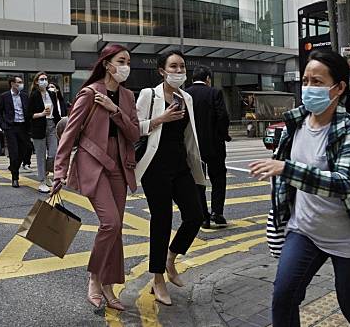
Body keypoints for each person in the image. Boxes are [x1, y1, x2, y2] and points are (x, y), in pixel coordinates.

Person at [250, 49, 350, 327]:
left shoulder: (349, 128)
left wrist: (287, 169)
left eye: (317, 82)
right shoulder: (294, 123)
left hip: (349, 236)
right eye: (305, 81)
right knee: (283, 297)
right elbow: (285, 177)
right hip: (304, 230)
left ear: (338, 87)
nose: (308, 88)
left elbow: (345, 182)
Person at [52, 44, 139, 311]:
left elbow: (134, 134)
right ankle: (94, 278)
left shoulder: (126, 96)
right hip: (94, 163)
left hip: (120, 166)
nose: (126, 66)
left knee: (116, 228)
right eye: (121, 61)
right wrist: (59, 170)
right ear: (107, 64)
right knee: (110, 223)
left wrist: (114, 110)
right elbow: (68, 135)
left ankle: (109, 286)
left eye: (128, 62)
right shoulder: (89, 94)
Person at [135, 50, 206, 306]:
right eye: (173, 67)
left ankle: (170, 258)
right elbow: (133, 127)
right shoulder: (149, 95)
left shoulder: (186, 97)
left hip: (180, 165)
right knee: (162, 219)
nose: (178, 71)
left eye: (182, 66)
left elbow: (189, 136)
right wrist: (160, 119)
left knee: (195, 215)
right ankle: (157, 278)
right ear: (161, 71)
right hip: (154, 167)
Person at [185, 65, 231, 229]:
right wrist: (223, 135)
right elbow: (223, 116)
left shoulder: (185, 94)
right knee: (218, 178)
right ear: (208, 79)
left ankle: (203, 217)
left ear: (192, 79)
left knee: (198, 181)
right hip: (214, 145)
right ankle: (217, 213)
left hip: (193, 146)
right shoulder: (215, 93)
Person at [29, 71, 61, 193]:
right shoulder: (34, 95)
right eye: (41, 79)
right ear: (36, 82)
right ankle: (42, 181)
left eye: (46, 79)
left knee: (53, 153)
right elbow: (29, 115)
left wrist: (61, 125)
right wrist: (42, 114)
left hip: (52, 125)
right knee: (40, 156)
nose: (44, 81)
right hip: (39, 127)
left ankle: (46, 173)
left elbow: (56, 113)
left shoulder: (52, 94)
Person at [0, 76, 31, 188]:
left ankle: (13, 166)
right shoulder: (4, 96)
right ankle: (15, 178)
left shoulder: (25, 96)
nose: (21, 84)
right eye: (18, 82)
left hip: (23, 127)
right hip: (11, 128)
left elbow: (29, 111)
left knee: (26, 149)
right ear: (12, 84)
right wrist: (3, 125)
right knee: (14, 152)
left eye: (21, 82)